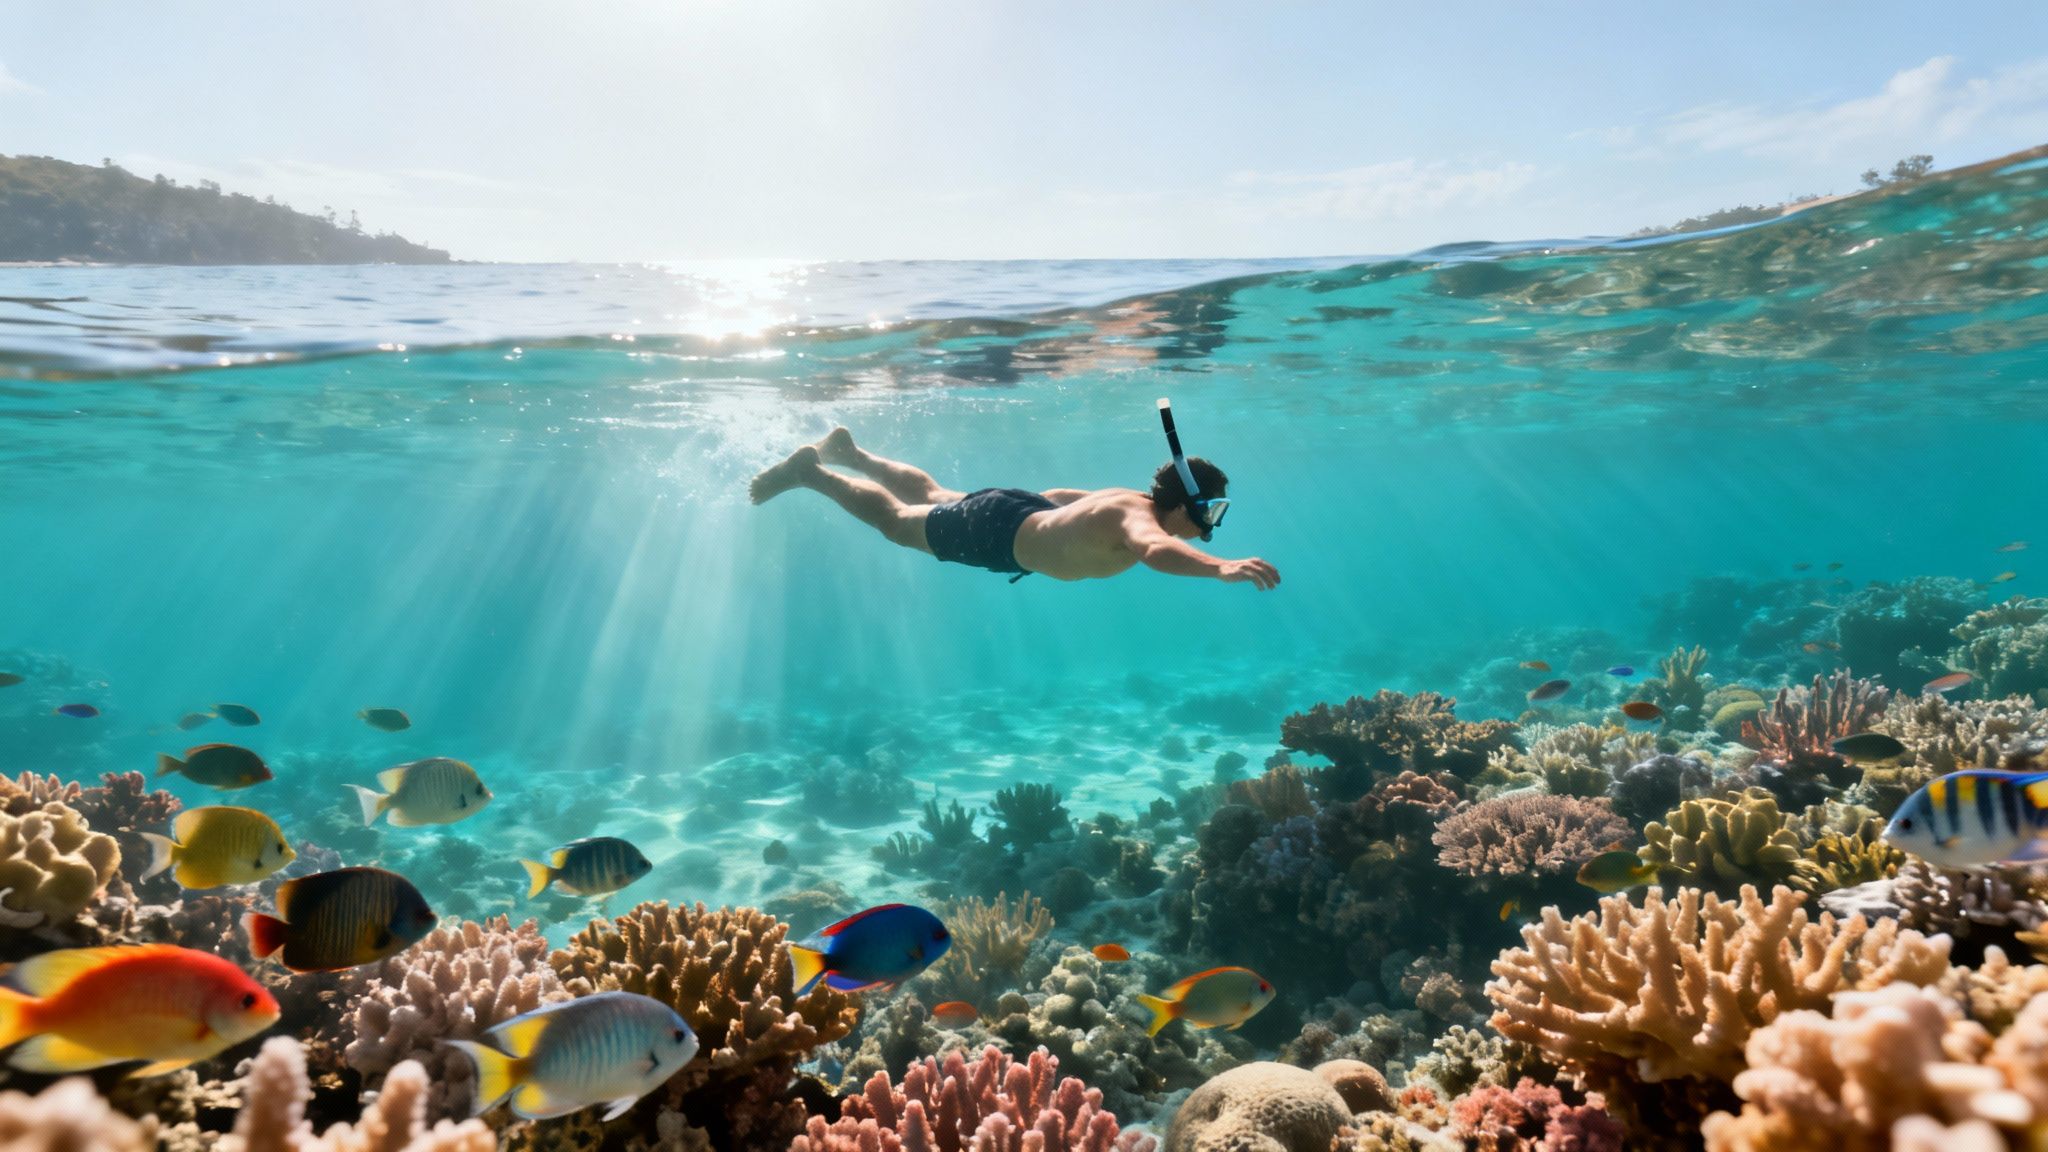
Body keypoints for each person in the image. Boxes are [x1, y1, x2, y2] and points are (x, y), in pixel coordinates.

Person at [749, 427, 1280, 589]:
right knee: (895, 523)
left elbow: (1067, 500)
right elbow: (1155, 550)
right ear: (1187, 503)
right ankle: (812, 473)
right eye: (1210, 513)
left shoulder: (1129, 498)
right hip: (1001, 535)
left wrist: (1030, 518)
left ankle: (852, 452)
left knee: (933, 494)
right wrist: (1221, 567)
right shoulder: (1139, 520)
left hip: (1018, 510)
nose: (1209, 526)